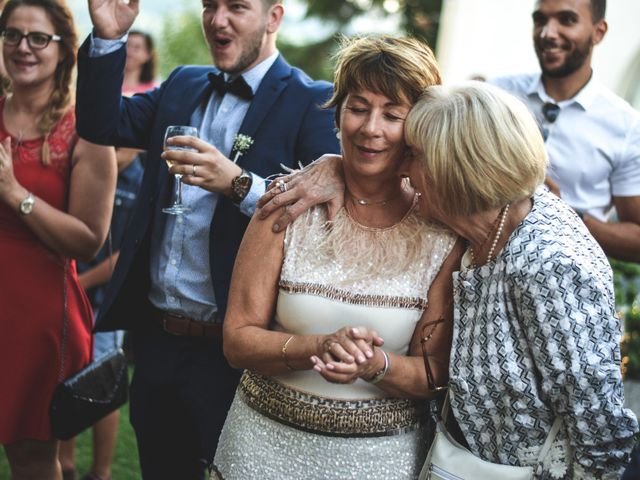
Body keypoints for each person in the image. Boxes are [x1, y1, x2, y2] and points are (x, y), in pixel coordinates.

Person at [75, 0, 339, 478]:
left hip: (235, 354)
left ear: (274, 18)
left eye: (236, 7)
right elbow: (99, 125)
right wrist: (108, 36)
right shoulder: (182, 82)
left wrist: (239, 184)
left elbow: (324, 224)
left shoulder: (312, 101)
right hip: (156, 342)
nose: (218, 20)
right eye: (210, 5)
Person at [211, 35, 461, 480]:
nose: (371, 128)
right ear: (338, 111)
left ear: (419, 124)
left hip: (381, 461)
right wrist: (318, 347)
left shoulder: (441, 231)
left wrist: (375, 365)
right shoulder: (287, 205)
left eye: (393, 114)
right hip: (262, 449)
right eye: (358, 107)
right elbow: (237, 340)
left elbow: (437, 372)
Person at [402, 82, 638, 477]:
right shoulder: (483, 224)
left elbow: (602, 434)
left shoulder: (549, 263)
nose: (404, 171)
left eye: (414, 157)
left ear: (456, 168)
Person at [0, 0, 116, 478]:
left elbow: (89, 239)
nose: (22, 47)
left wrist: (13, 192)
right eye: (12, 35)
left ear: (65, 49)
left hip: (38, 315)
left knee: (30, 456)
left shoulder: (86, 132)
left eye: (37, 38)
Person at [58, 30, 155, 480]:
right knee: (61, 375)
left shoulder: (138, 175)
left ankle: (100, 472)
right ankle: (62, 462)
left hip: (102, 291)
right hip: (71, 280)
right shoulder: (94, 153)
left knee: (103, 381)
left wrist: (83, 283)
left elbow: (124, 254)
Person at [489, 0, 640, 262]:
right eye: (540, 20)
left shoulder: (626, 126)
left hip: (565, 286)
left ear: (598, 32)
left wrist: (564, 214)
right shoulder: (496, 96)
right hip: (477, 273)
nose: (548, 33)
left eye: (567, 20)